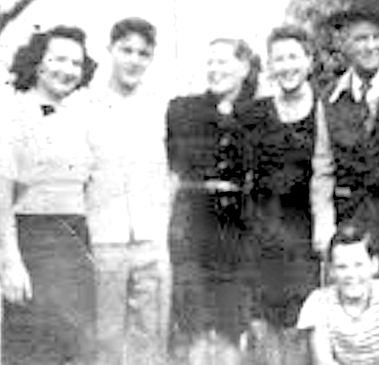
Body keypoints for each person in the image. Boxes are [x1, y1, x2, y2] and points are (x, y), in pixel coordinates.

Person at [0, 25, 98, 365]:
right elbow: (2, 196)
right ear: (38, 62)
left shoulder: (80, 118)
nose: (67, 70)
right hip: (33, 243)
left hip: (77, 244)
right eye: (58, 59)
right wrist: (11, 262)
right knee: (33, 351)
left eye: (76, 64)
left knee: (77, 350)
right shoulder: (11, 116)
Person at [84, 17, 172, 365]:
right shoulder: (86, 105)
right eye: (126, 50)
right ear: (110, 50)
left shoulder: (160, 107)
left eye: (143, 53)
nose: (134, 60)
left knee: (149, 338)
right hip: (104, 239)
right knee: (105, 337)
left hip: (150, 239)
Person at [310, 1, 379, 265]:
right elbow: (323, 170)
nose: (371, 46)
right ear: (344, 43)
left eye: (378, 37)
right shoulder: (329, 98)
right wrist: (324, 226)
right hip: (353, 222)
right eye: (361, 39)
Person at [166, 37, 260, 342]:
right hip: (193, 227)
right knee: (193, 320)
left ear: (244, 67)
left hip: (238, 231)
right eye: (210, 62)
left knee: (233, 321)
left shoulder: (258, 113)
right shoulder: (182, 110)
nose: (214, 70)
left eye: (222, 62)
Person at [239, 24, 319, 329]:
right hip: (266, 232)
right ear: (270, 65)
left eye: (294, 57)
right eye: (279, 59)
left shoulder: (325, 108)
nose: (287, 66)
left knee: (307, 321)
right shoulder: (254, 114)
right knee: (267, 324)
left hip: (309, 232)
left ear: (309, 60)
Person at [297, 224, 379, 365]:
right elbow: (323, 360)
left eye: (359, 265)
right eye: (341, 267)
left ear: (374, 265)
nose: (351, 274)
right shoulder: (318, 303)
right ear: (331, 270)